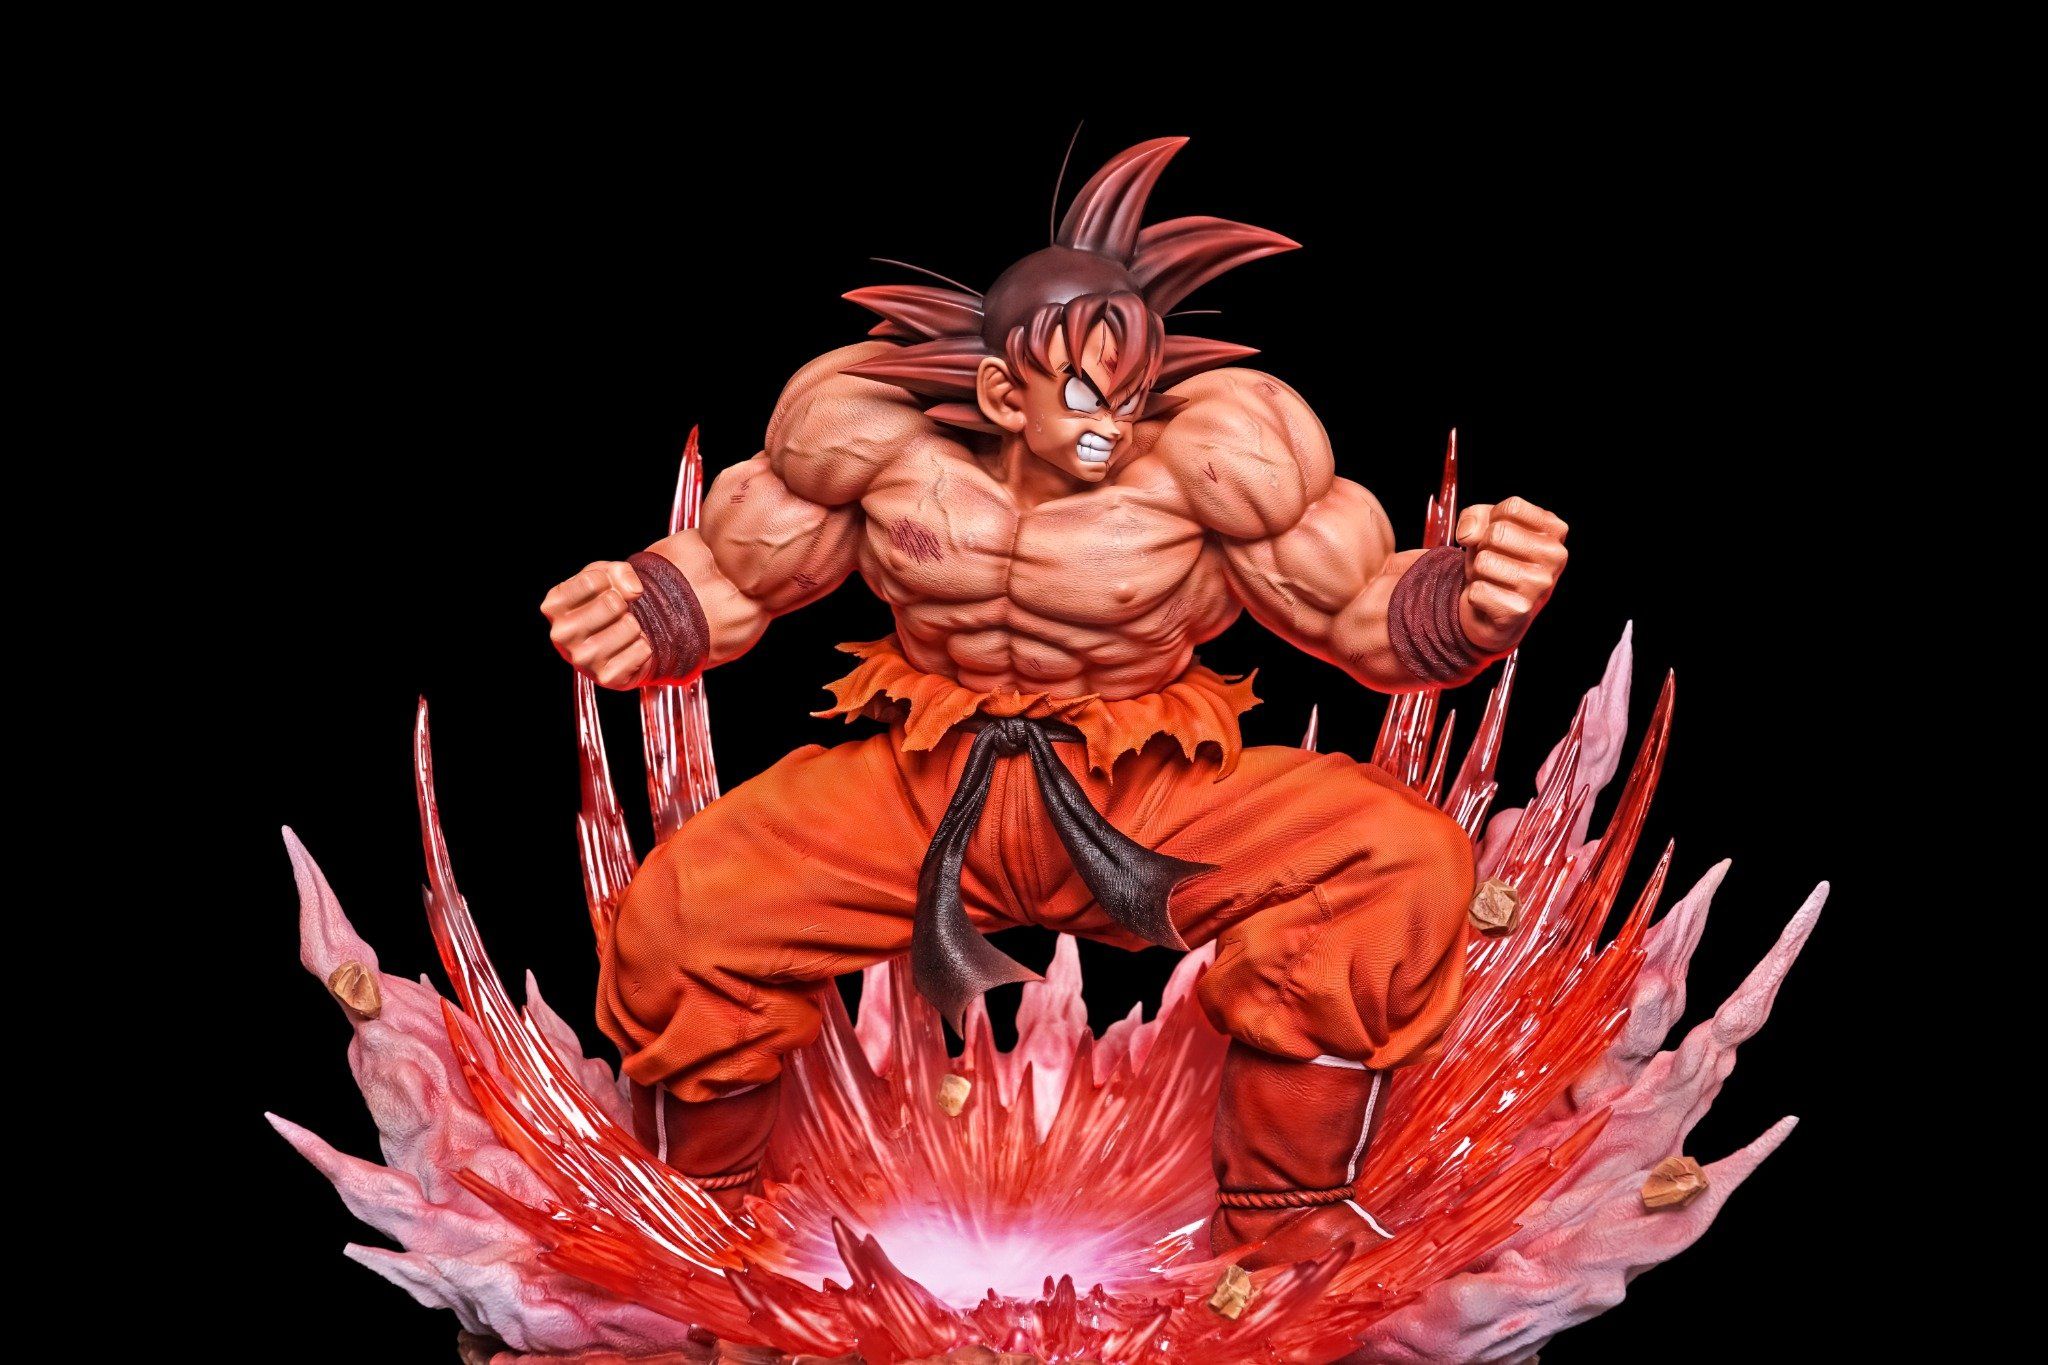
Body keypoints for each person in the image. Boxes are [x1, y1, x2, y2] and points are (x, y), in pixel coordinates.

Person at [541, 137, 1569, 1269]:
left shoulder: (1217, 459)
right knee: (690, 911)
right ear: (999, 389)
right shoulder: (871, 443)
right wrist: (645, 611)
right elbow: (736, 576)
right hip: (926, 777)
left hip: (1142, 785)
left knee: (1397, 862)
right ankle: (703, 1232)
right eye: (1085, 394)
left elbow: (1360, 614)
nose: (1112, 425)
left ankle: (1284, 1220)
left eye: (1130, 395)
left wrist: (1475, 603)